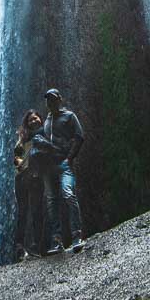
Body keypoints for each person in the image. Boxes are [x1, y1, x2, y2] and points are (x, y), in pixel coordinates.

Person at [36, 87, 86, 254]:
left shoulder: (70, 116)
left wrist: (70, 158)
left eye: (53, 98)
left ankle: (77, 236)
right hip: (49, 167)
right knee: (51, 202)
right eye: (48, 99)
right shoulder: (47, 120)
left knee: (68, 194)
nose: (50, 102)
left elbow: (79, 136)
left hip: (64, 164)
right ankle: (56, 241)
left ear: (59, 99)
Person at [12, 109, 46, 261]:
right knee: (23, 212)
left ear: (40, 118)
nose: (33, 121)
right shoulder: (22, 139)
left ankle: (37, 246)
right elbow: (17, 156)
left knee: (37, 210)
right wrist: (19, 163)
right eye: (30, 120)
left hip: (36, 176)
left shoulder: (45, 133)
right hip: (22, 177)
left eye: (35, 118)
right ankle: (20, 246)